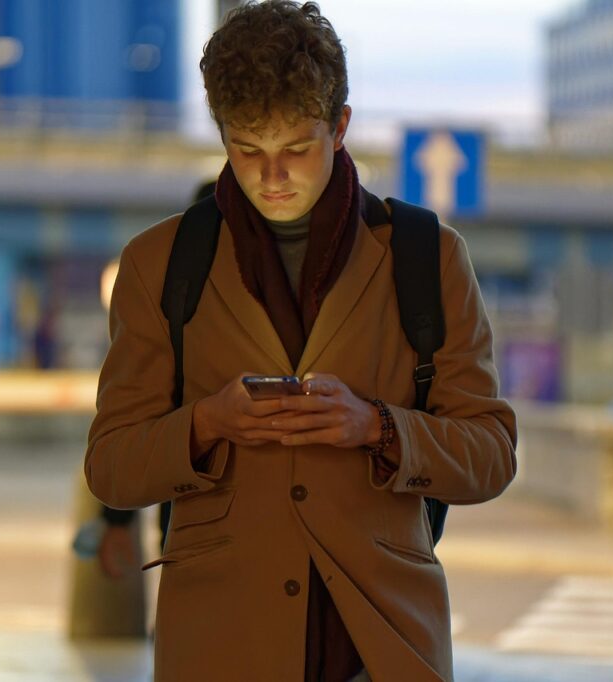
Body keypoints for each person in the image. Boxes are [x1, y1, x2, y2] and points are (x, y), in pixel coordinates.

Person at [84, 2, 518, 680]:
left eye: (296, 149)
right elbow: (110, 465)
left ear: (340, 127)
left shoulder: (426, 257)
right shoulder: (158, 263)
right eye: (247, 150)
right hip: (218, 649)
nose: (272, 176)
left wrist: (375, 427)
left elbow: (491, 454)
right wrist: (206, 423)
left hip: (383, 647)